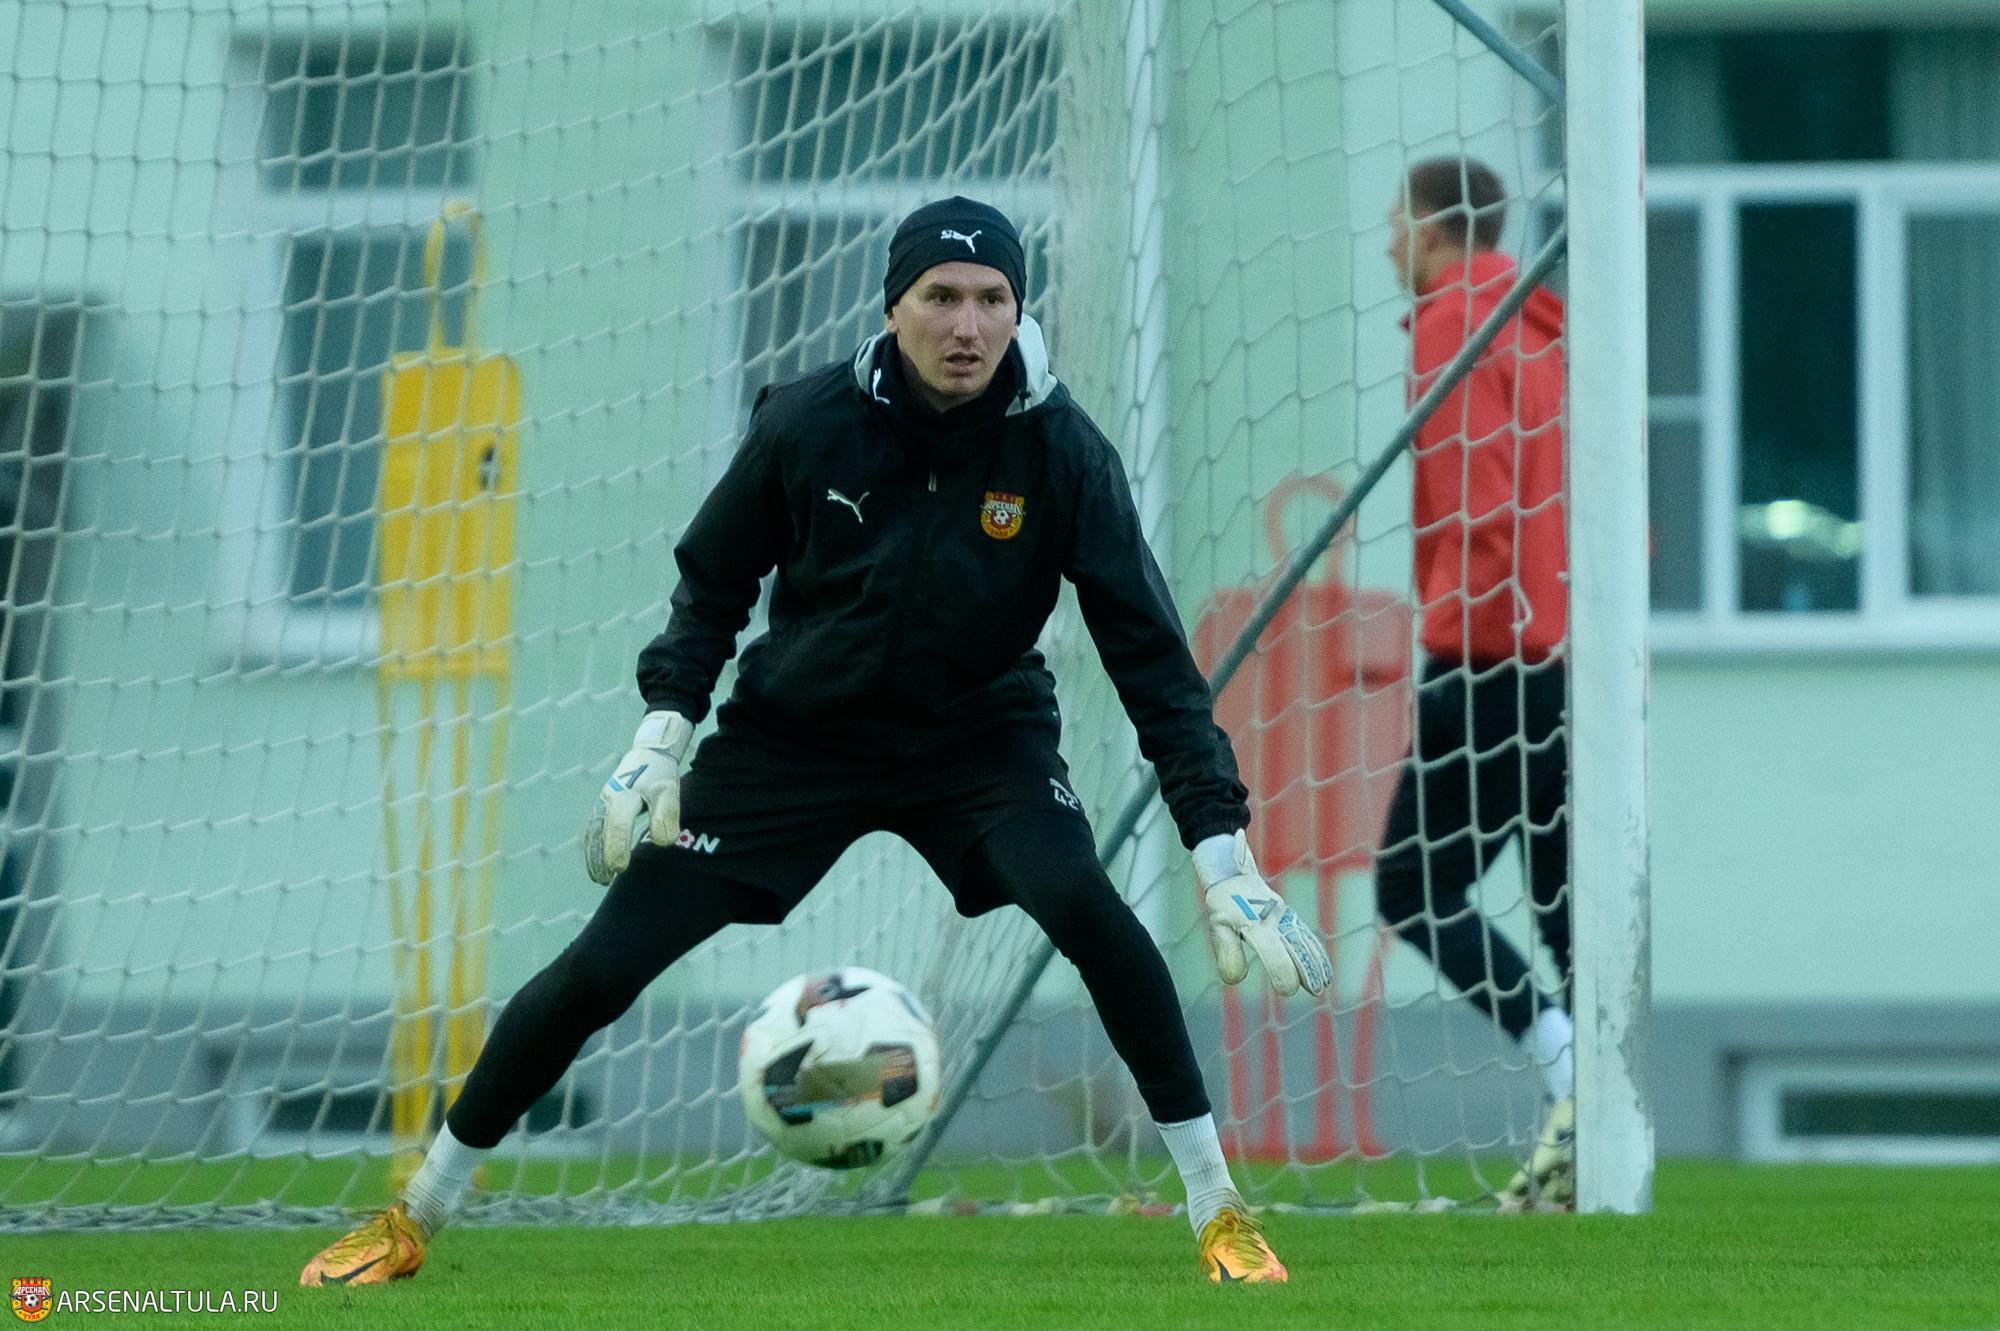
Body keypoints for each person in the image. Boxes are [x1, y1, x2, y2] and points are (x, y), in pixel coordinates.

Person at [300, 196, 1331, 1286]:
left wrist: (1221, 849)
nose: (967, 325)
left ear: (1019, 310)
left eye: (992, 299)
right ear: (892, 308)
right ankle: (415, 1211)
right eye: (940, 297)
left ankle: (1219, 1209)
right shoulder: (806, 421)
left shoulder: (1062, 449)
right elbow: (712, 585)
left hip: (979, 742)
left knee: (1089, 909)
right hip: (790, 743)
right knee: (597, 967)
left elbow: (1153, 663)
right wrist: (663, 731)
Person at [1377, 158, 1576, 1209]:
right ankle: (1594, 1131)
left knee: (1410, 886)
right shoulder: (1546, 328)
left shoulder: (1455, 323)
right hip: (1571, 655)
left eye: (1392, 223)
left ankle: (1566, 1067)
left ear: (1427, 228)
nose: (1386, 246)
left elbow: (1478, 506)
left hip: (1492, 652)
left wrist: (1452, 642)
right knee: (1561, 900)